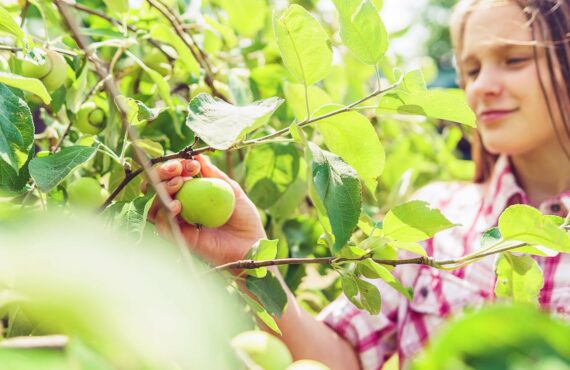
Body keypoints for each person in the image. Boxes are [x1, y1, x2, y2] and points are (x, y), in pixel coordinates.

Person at [149, 0, 570, 369]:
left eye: (514, 60)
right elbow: (341, 361)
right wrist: (248, 256)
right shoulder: (435, 218)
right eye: (472, 69)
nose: (483, 87)